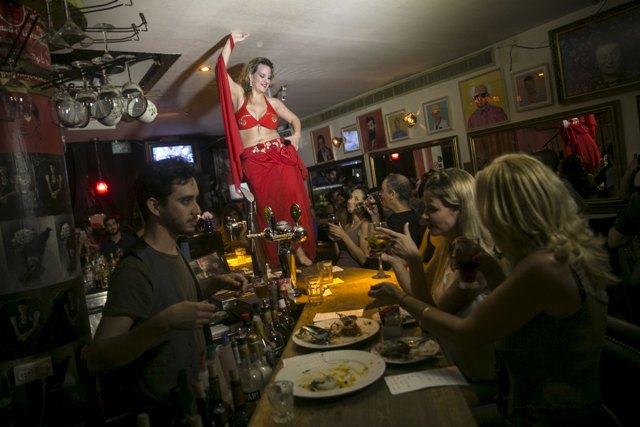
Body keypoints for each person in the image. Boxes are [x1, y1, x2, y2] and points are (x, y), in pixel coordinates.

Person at [368, 154, 615, 426]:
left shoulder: (545, 265)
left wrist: (400, 297)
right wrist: (486, 265)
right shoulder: (560, 253)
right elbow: (517, 313)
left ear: (509, 210)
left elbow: (469, 334)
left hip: (545, 416)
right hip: (534, 406)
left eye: (485, 206)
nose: (482, 215)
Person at [87, 158, 248, 423]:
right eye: (185, 201)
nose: (197, 209)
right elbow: (97, 359)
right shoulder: (134, 270)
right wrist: (162, 323)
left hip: (196, 400)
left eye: (196, 199)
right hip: (166, 412)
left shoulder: (173, 249)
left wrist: (215, 283)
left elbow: (172, 297)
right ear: (154, 206)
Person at [379, 168, 505, 405]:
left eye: (433, 209)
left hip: (483, 384)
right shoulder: (447, 247)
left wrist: (414, 262)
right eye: (425, 208)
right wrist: (396, 260)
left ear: (462, 210)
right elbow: (420, 296)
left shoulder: (476, 258)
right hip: (452, 367)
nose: (424, 216)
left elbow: (431, 318)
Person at [216, 31, 315, 267]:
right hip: (255, 163)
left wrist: (297, 135)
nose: (266, 80)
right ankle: (279, 256)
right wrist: (231, 41)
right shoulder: (240, 97)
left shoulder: (275, 103)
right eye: (262, 75)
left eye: (269, 77)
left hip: (280, 156)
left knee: (294, 200)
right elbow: (220, 69)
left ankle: (298, 247)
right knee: (268, 209)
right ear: (250, 76)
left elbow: (295, 120)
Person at [327, 187, 374, 267]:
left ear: (364, 204)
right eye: (350, 197)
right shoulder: (347, 225)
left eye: (356, 199)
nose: (349, 201)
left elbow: (364, 260)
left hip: (354, 273)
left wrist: (343, 236)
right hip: (340, 269)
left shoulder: (364, 225)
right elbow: (339, 255)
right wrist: (335, 240)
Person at [379, 174, 421, 246]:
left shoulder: (398, 223)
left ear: (392, 194)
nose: (380, 194)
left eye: (382, 190)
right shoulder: (416, 215)